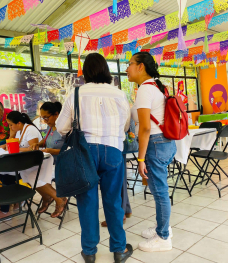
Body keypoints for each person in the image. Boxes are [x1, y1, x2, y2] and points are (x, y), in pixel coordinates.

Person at [56, 53, 133, 263]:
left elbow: (61, 127)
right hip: (113, 151)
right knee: (113, 201)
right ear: (106, 70)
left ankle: (89, 252)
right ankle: (119, 250)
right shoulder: (119, 94)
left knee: (87, 203)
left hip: (84, 152)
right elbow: (126, 125)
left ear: (86, 72)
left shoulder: (76, 93)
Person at [127, 52, 177, 252]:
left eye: (130, 64)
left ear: (141, 67)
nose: (127, 68)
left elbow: (145, 128)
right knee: (160, 190)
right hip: (165, 142)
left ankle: (163, 237)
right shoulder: (157, 87)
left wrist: (140, 158)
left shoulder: (145, 90)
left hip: (155, 143)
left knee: (160, 192)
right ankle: (162, 228)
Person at [30, 102, 68, 218]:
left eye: (46, 117)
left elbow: (70, 151)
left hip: (63, 164)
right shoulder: (50, 128)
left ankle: (58, 198)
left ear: (56, 114)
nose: (45, 120)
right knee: (29, 174)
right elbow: (46, 141)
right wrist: (38, 144)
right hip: (50, 163)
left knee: (35, 176)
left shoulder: (65, 130)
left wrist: (51, 151)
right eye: (43, 118)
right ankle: (48, 196)